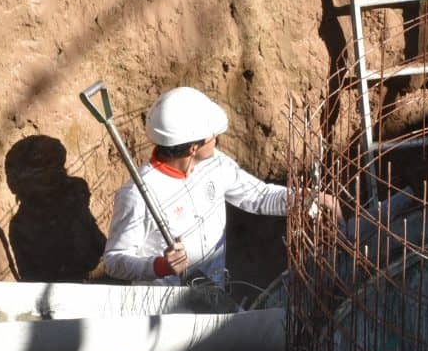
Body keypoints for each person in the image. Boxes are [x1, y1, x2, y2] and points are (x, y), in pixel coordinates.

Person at [102, 86, 339, 285]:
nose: (216, 139)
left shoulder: (215, 163)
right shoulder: (138, 194)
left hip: (213, 295)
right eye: (211, 136)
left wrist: (307, 198)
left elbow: (257, 196)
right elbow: (114, 260)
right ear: (192, 148)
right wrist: (159, 266)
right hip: (165, 313)